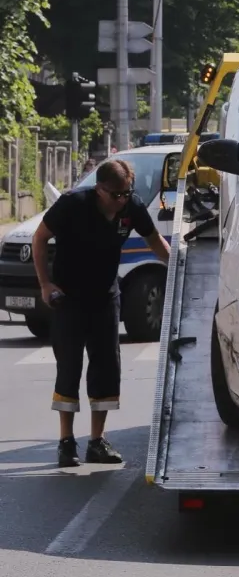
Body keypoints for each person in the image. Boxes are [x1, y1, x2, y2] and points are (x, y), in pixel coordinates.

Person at [32, 158, 171, 468]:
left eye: (126, 194)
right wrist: (45, 284)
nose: (121, 201)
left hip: (106, 297)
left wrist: (178, 267)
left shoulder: (130, 206)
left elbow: (154, 240)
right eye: (115, 195)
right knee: (69, 367)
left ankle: (97, 441)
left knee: (107, 368)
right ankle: (66, 442)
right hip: (68, 298)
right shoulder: (73, 204)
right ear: (99, 189)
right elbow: (39, 238)